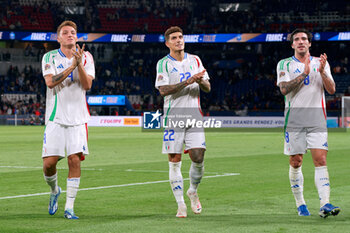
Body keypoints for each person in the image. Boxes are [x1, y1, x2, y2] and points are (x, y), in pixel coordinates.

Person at [276, 28, 339, 218]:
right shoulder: (284, 64)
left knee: (320, 160)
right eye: (297, 39)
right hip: (294, 120)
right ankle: (300, 203)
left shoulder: (321, 63)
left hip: (317, 119)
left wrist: (323, 72)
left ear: (310, 43)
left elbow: (332, 89)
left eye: (304, 39)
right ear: (292, 44)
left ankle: (325, 203)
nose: (301, 41)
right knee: (296, 161)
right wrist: (304, 74)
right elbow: (284, 89)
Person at [41, 20, 95, 219]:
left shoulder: (87, 56)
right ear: (58, 38)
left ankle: (69, 207)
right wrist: (72, 65)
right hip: (55, 118)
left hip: (78, 119)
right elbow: (50, 82)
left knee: (74, 160)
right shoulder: (50, 57)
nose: (70, 35)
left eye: (73, 32)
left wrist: (79, 64)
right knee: (49, 164)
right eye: (65, 32)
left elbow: (87, 84)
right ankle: (55, 190)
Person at [155, 26, 211, 218]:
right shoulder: (163, 64)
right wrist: (188, 81)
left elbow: (208, 87)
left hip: (194, 116)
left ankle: (193, 191)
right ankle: (181, 205)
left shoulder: (195, 60)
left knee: (198, 157)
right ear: (167, 43)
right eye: (174, 38)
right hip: (173, 118)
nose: (178, 40)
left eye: (180, 37)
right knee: (174, 160)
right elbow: (163, 90)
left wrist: (200, 81)